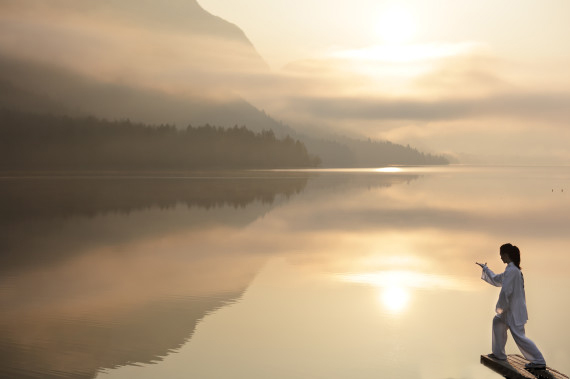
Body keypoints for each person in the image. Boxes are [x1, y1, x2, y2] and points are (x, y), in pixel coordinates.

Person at [476, 243, 547, 370]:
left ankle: (538, 360)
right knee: (497, 322)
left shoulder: (513, 271)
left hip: (513, 311)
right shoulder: (511, 269)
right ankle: (499, 354)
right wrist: (486, 269)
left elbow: (506, 291)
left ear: (506, 254)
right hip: (510, 311)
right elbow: (498, 279)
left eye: (501, 254)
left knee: (519, 336)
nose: (500, 257)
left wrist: (500, 307)